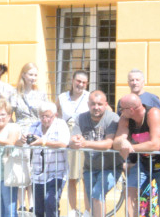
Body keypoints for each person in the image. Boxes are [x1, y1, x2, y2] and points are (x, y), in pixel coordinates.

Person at [114, 93, 160, 217]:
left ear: (131, 109)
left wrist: (130, 147)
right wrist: (122, 141)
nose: (120, 112)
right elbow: (117, 142)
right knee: (130, 191)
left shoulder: (154, 114)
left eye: (121, 108)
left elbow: (154, 145)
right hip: (143, 162)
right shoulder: (125, 118)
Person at [70, 90, 120, 217]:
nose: (96, 107)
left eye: (99, 104)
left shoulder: (112, 118)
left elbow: (109, 143)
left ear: (105, 104)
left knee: (97, 194)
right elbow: (73, 139)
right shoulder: (81, 118)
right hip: (89, 168)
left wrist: (85, 143)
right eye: (93, 104)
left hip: (111, 167)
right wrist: (75, 141)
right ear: (88, 104)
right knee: (94, 199)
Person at [20, 101, 69, 217]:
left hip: (57, 172)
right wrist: (22, 139)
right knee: (39, 209)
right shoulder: (34, 126)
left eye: (48, 116)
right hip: (38, 174)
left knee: (50, 202)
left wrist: (44, 142)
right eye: (42, 116)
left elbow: (64, 143)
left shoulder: (61, 124)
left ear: (54, 115)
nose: (44, 119)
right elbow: (23, 143)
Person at [59, 70, 91, 216]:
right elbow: (57, 118)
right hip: (68, 138)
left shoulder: (90, 97)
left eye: (84, 82)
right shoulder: (62, 98)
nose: (81, 84)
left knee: (85, 176)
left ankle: (87, 210)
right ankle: (73, 209)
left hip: (84, 138)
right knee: (72, 176)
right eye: (78, 81)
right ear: (72, 80)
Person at [11, 62, 49, 126]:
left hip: (38, 130)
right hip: (20, 130)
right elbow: (9, 116)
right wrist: (15, 130)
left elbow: (48, 113)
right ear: (23, 75)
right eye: (31, 75)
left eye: (35, 75)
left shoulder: (41, 94)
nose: (33, 78)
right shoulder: (15, 93)